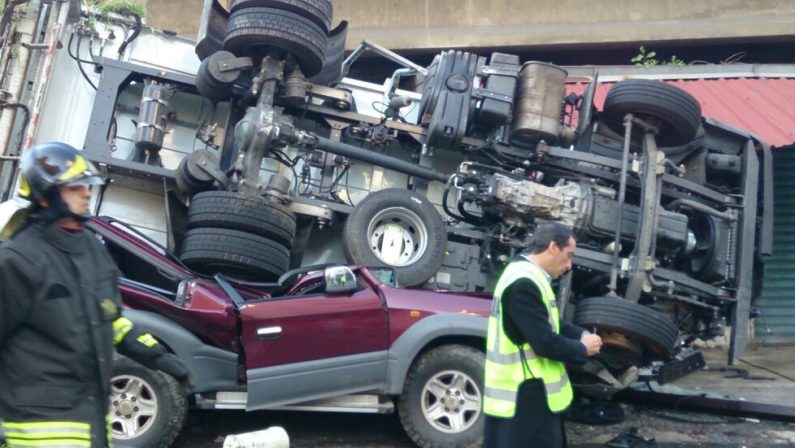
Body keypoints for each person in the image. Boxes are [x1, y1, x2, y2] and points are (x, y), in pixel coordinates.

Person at [0, 142, 192, 448]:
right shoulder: (18, 259)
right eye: (74, 186)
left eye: (86, 184)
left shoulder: (91, 248)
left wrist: (159, 357)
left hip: (91, 426)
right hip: (37, 430)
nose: (86, 192)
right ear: (46, 195)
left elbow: (110, 320)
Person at [483, 222, 603, 448]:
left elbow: (550, 324)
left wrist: (582, 334)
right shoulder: (524, 283)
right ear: (552, 248)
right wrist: (583, 348)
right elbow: (545, 342)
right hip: (526, 400)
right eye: (568, 255)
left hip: (526, 397)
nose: (570, 265)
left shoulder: (527, 276)